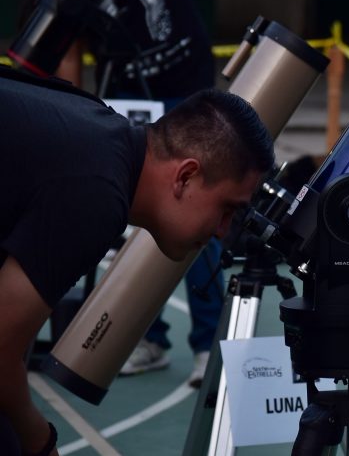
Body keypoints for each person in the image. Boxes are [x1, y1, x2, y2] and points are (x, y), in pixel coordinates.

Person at [0, 66, 274, 455]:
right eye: (227, 209)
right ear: (185, 177)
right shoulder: (97, 194)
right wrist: (39, 440)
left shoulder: (99, 131)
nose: (221, 231)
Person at [25, 0, 225, 385]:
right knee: (133, 220)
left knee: (197, 212)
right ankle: (149, 339)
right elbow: (67, 42)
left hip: (185, 86)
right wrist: (75, 115)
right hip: (122, 90)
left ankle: (210, 344)